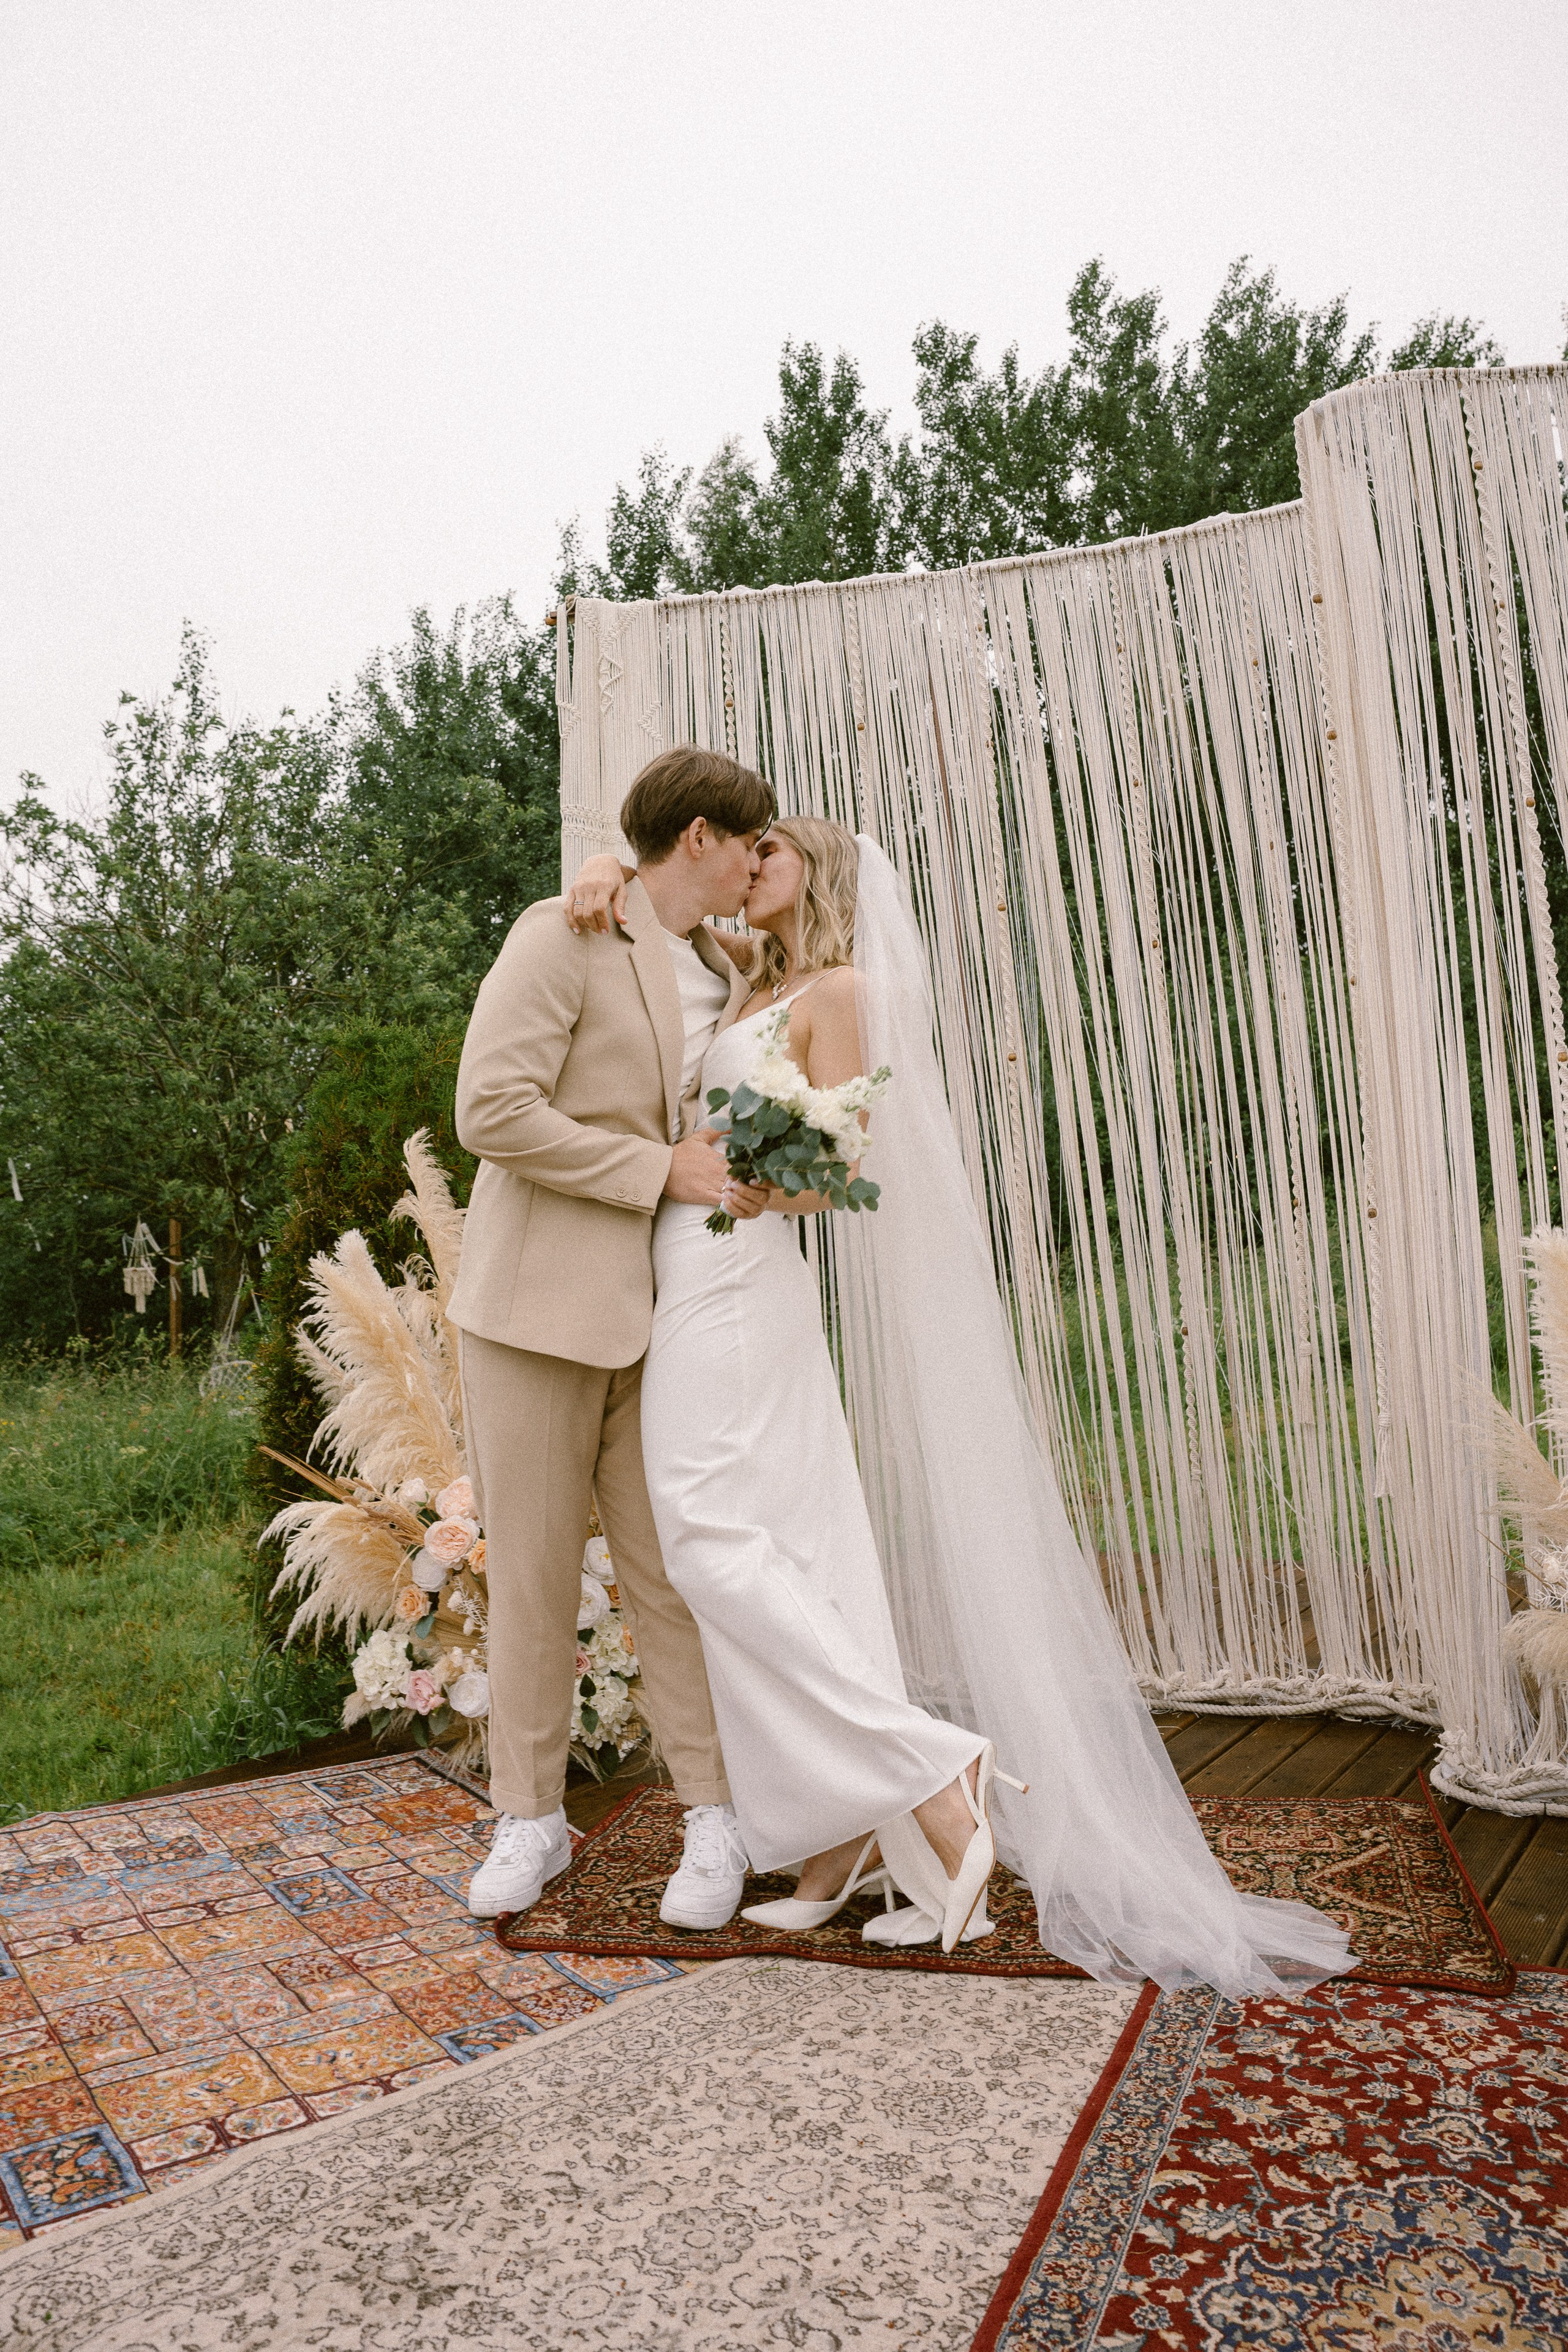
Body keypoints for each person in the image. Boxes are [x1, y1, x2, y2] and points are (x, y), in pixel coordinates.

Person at [563, 817, 1355, 1991]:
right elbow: (654, 887)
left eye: (768, 850)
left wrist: (726, 1177)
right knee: (794, 1540)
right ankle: (846, 1843)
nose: (745, 862)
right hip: (704, 1276)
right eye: (737, 846)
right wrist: (603, 867)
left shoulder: (841, 988)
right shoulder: (748, 976)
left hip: (729, 1280)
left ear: (816, 874)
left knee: (705, 1540)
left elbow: (837, 1170)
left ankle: (934, 1771)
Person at [450, 746, 776, 1930]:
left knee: (674, 1571)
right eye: (750, 841)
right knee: (533, 1579)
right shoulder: (562, 931)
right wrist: (661, 1170)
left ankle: (714, 1816)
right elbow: (488, 1110)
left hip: (670, 1316)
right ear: (699, 836)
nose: (758, 861)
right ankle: (530, 1821)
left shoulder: (720, 959)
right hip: (538, 1312)